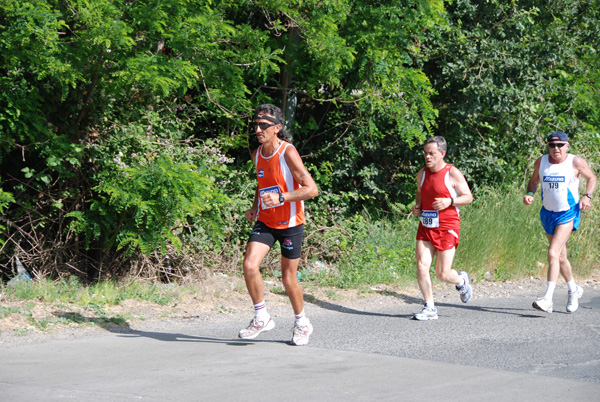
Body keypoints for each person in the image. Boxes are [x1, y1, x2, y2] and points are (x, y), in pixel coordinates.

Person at [239, 104, 319, 345]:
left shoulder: (288, 152)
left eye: (264, 125)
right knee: (249, 264)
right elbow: (261, 184)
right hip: (266, 219)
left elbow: (312, 189)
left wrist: (282, 197)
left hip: (291, 223)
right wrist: (255, 206)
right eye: (256, 124)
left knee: (288, 278)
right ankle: (261, 316)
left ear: (277, 128)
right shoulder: (256, 154)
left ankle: (302, 322)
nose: (258, 129)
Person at [523, 131, 596, 313]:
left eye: (560, 145)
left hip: (568, 213)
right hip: (548, 213)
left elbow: (592, 178)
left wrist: (587, 196)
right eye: (552, 145)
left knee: (553, 252)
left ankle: (548, 299)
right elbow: (533, 182)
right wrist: (530, 194)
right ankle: (573, 290)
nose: (556, 148)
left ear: (567, 146)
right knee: (561, 257)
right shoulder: (541, 162)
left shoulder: (575, 162)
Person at [411, 136, 474, 320]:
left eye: (432, 153)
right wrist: (418, 207)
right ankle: (429, 307)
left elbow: (468, 197)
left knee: (443, 273)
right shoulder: (421, 174)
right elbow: (419, 193)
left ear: (442, 153)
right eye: (425, 153)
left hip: (447, 225)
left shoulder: (451, 173)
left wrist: (450, 201)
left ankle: (461, 281)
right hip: (427, 224)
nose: (427, 157)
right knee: (422, 265)